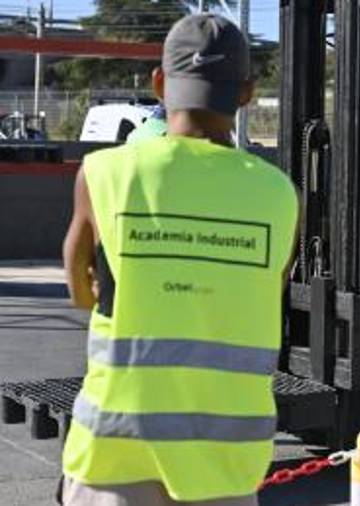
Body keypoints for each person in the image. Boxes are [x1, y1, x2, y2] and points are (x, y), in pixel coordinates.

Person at [60, 14, 299, 506]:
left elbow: (81, 292)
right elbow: (262, 293)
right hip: (225, 466)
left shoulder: (104, 174)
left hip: (113, 459)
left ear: (159, 84)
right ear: (248, 92)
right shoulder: (280, 195)